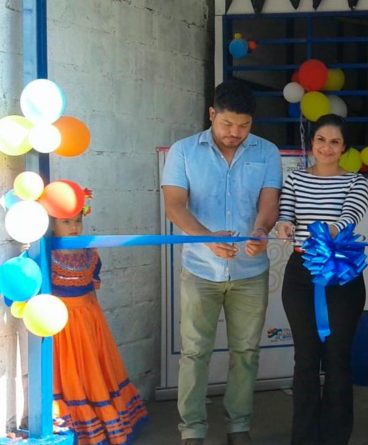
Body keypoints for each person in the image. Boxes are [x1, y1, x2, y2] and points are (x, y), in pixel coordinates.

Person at [161, 79, 282, 445]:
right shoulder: (183, 152)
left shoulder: (267, 152)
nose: (235, 133)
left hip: (250, 271)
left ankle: (238, 427)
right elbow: (174, 205)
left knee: (246, 351)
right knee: (195, 352)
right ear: (212, 114)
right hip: (200, 270)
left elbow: (269, 203)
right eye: (228, 124)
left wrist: (262, 230)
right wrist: (206, 238)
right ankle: (193, 430)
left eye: (244, 126)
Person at [275, 114, 368, 445]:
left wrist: (327, 231)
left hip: (342, 273)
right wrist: (284, 226)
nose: (326, 147)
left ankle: (335, 437)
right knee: (305, 358)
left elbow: (349, 215)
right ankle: (303, 437)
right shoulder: (295, 180)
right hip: (301, 275)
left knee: (337, 358)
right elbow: (285, 214)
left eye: (335, 141)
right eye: (321, 140)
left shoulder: (356, 181)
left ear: (344, 147)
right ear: (312, 143)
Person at [51, 208, 149, 445]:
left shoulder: (90, 253)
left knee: (93, 370)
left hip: (90, 322)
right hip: (61, 326)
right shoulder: (45, 253)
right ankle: (75, 423)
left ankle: (105, 421)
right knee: (69, 372)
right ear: (51, 224)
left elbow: (92, 292)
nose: (74, 227)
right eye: (66, 222)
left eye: (78, 221)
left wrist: (95, 326)